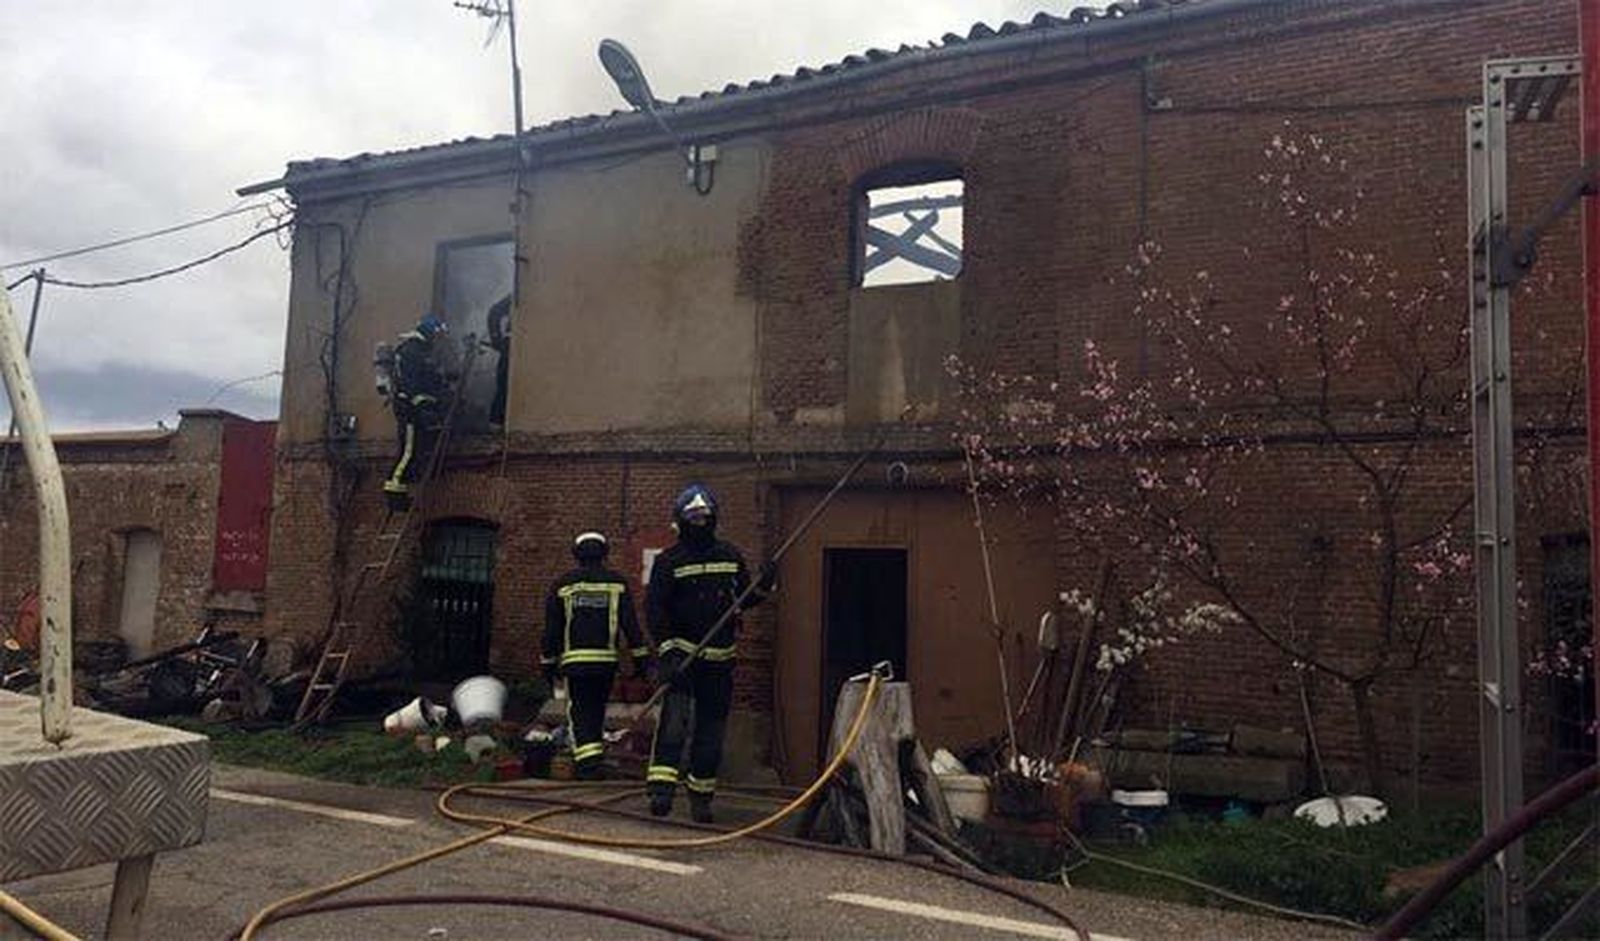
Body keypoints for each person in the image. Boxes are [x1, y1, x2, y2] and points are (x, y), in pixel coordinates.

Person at [645, 484, 776, 821]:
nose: (700, 522)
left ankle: (701, 799)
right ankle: (661, 794)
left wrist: (765, 583)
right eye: (693, 517)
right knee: (673, 726)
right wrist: (669, 654)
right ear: (680, 521)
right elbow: (656, 611)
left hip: (720, 661)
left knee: (711, 733)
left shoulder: (730, 556)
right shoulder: (667, 561)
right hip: (683, 659)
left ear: (714, 518)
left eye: (704, 516)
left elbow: (745, 599)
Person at [542, 531, 651, 780]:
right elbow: (631, 626)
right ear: (604, 554)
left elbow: (552, 630)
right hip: (605, 664)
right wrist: (641, 661)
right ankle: (593, 762)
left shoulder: (564, 585)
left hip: (576, 664)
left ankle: (587, 767)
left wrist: (547, 663)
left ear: (576, 554)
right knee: (597, 709)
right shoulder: (617, 583)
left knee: (580, 712)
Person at [382, 314, 450, 511]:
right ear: (430, 331)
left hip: (414, 407)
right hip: (409, 409)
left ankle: (402, 489)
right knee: (408, 451)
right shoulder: (412, 351)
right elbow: (412, 384)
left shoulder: (418, 350)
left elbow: (426, 378)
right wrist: (421, 406)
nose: (438, 340)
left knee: (416, 449)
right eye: (437, 334)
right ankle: (394, 492)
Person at [486, 294, 511, 429]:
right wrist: (496, 338)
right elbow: (495, 312)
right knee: (504, 384)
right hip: (511, 346)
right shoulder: (521, 294)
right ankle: (496, 424)